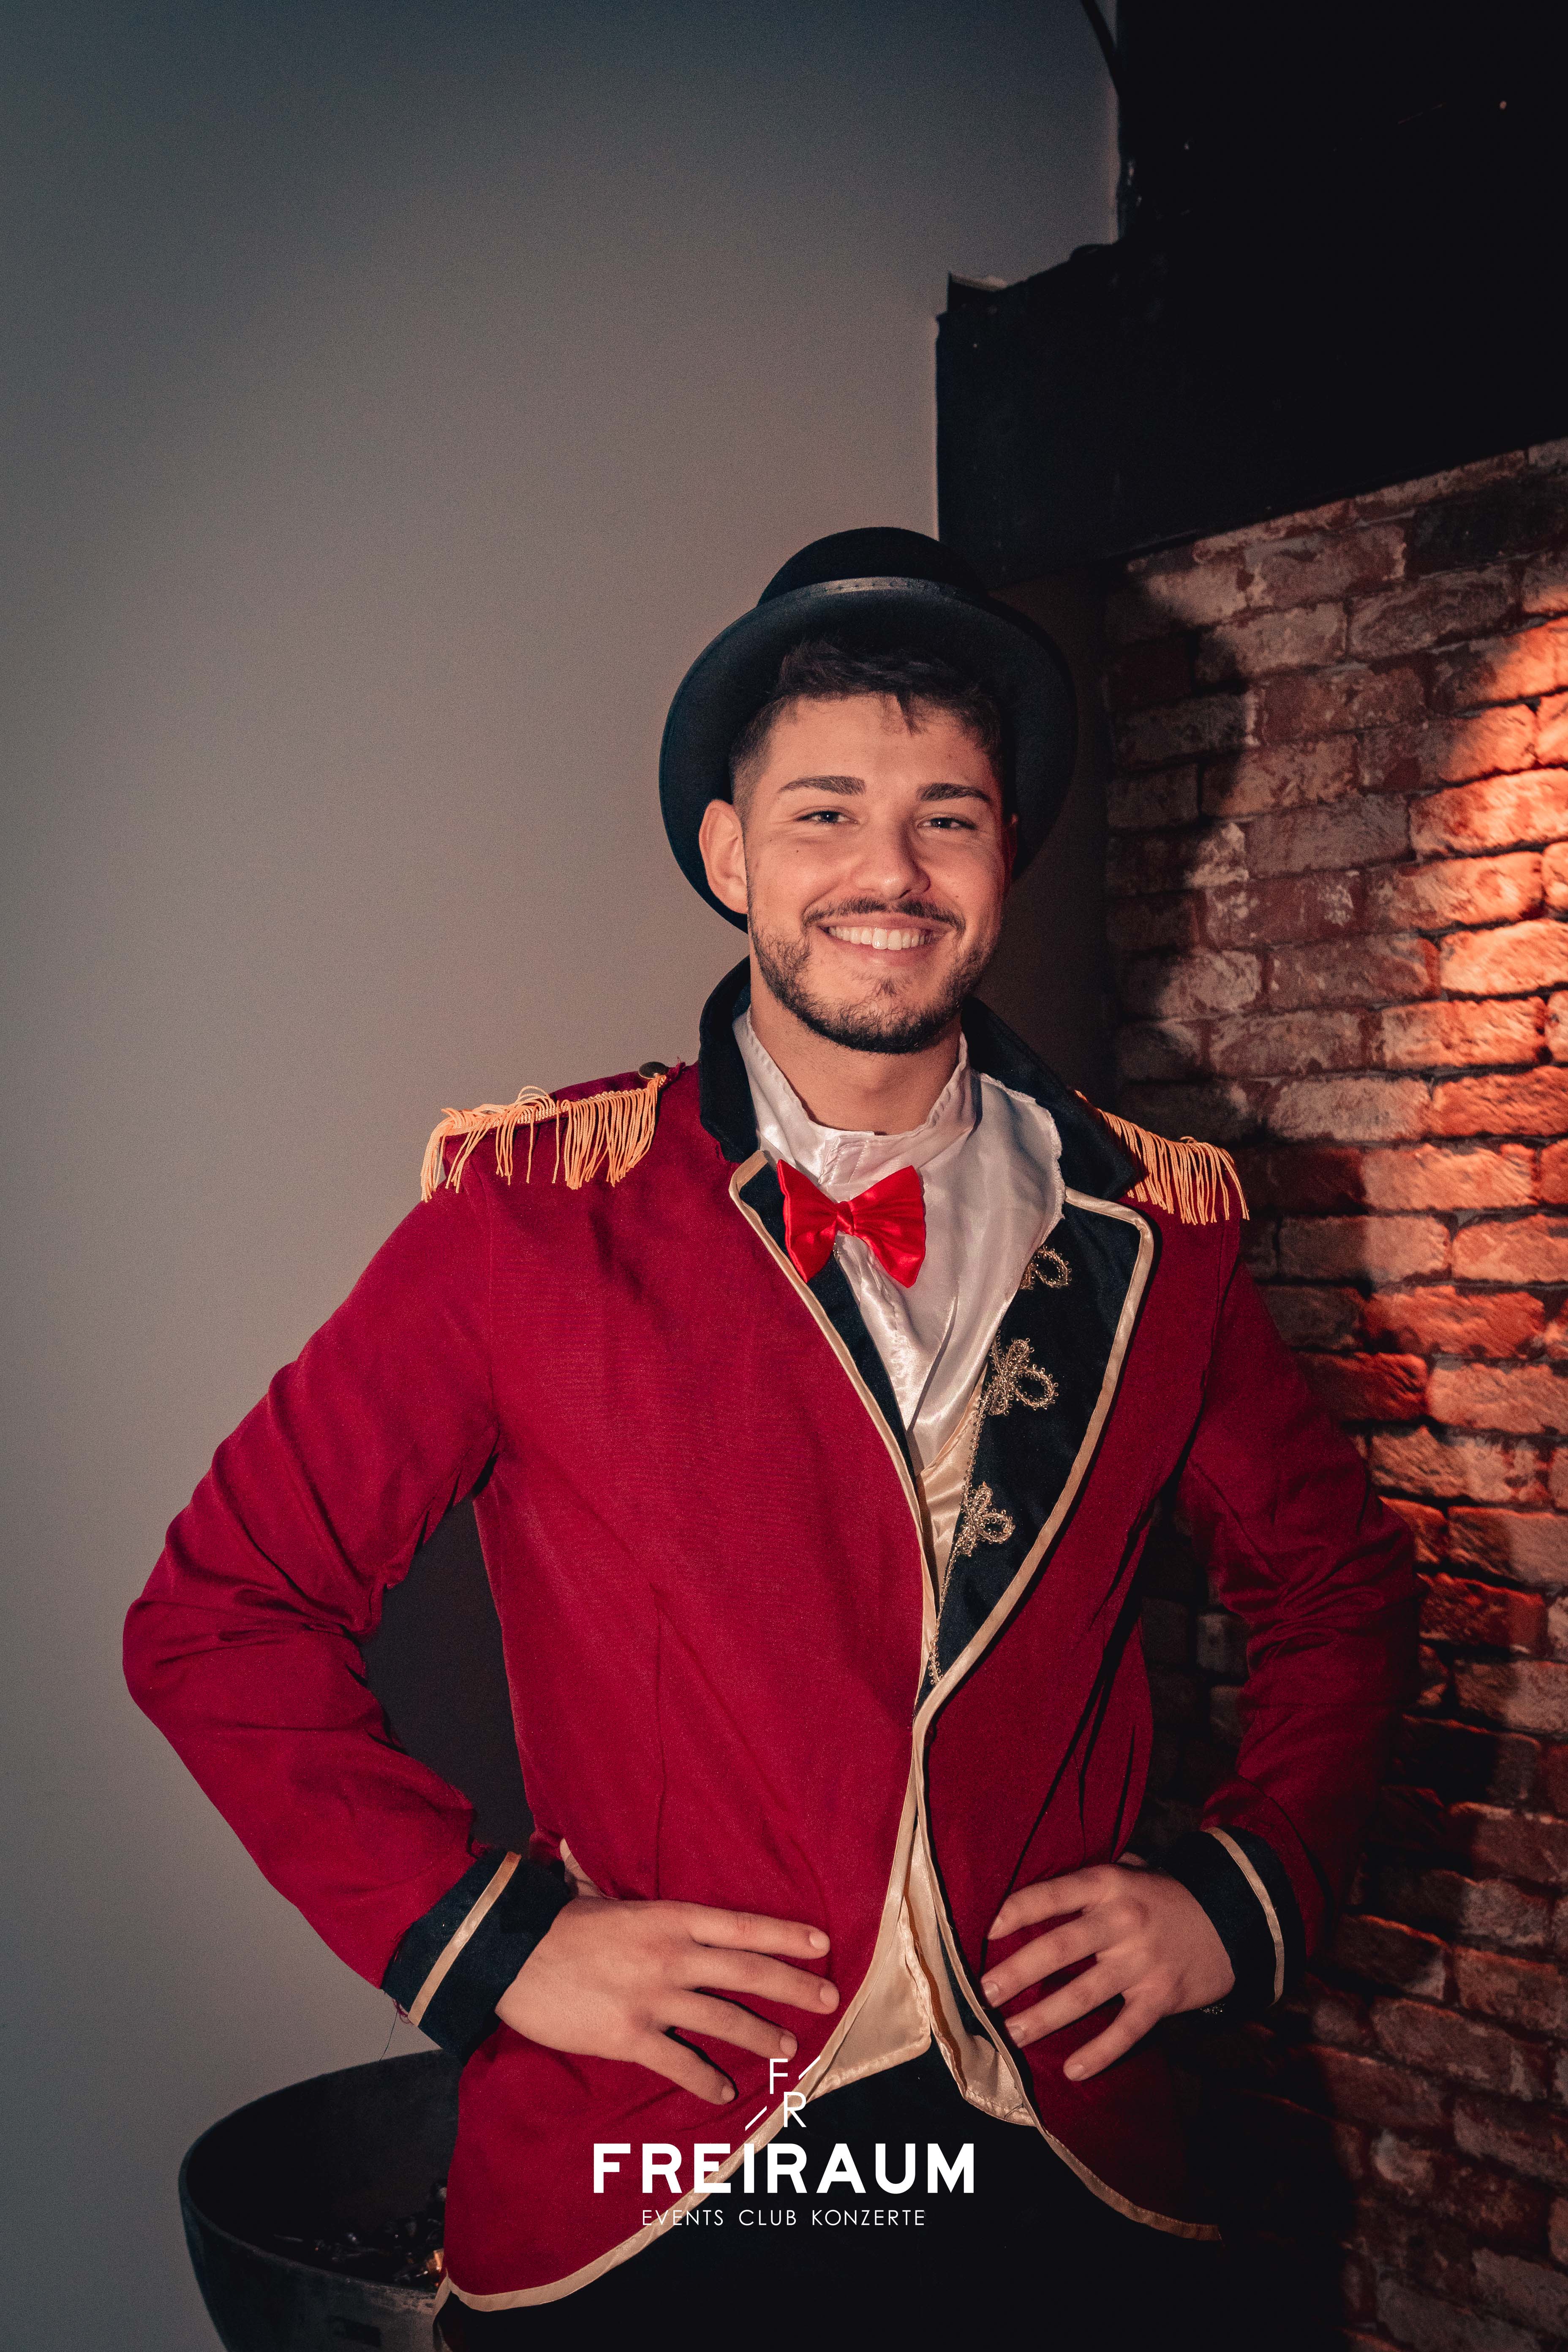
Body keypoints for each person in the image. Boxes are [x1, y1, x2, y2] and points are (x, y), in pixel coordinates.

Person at [125, 527, 1417, 2344]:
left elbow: (1341, 1589)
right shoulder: (533, 1214)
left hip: (1058, 2157)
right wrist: (491, 1945)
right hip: (656, 2171)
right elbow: (218, 1615)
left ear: (1006, 855)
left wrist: (1244, 1887)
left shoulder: (1162, 1230)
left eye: (947, 817)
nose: (889, 872)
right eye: (825, 815)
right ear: (730, 856)